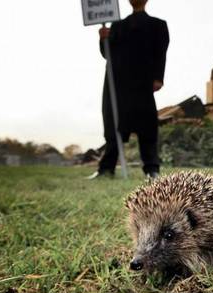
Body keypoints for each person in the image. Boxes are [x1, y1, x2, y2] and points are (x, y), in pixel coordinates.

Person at [88, 0, 169, 179]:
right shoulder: (116, 26)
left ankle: (151, 169)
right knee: (113, 124)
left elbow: (160, 52)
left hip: (142, 81)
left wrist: (158, 77)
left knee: (146, 124)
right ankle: (106, 168)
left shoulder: (158, 25)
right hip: (116, 82)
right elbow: (106, 53)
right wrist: (103, 39)